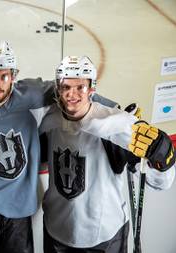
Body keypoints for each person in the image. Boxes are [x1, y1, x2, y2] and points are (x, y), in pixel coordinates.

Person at [0, 41, 115, 253]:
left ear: (14, 75)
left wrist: (116, 111)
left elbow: (76, 91)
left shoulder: (32, 96)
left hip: (19, 208)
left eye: (4, 76)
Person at [39, 56, 176, 253]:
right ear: (57, 89)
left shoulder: (117, 124)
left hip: (105, 236)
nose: (72, 94)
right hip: (57, 231)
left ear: (92, 88)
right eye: (66, 87)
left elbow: (160, 182)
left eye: (80, 87)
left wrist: (162, 156)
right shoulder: (48, 119)